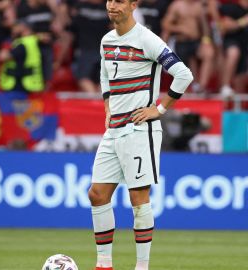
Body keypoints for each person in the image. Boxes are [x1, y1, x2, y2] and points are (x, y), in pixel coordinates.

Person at [88, 0, 193, 269]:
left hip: (139, 130)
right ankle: (104, 264)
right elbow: (104, 73)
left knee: (138, 197)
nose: (112, 5)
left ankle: (142, 267)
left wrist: (159, 109)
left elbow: (183, 74)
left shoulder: (147, 39)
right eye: (110, 0)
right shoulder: (107, 40)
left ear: (134, 4)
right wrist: (107, 104)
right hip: (114, 130)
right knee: (97, 194)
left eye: (120, 1)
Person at [161, 0, 214, 94]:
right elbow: (166, 24)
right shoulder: (177, 5)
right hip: (182, 43)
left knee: (209, 53)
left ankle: (202, 87)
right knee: (187, 71)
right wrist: (180, 28)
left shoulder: (198, 5)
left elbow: (204, 25)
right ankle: (191, 88)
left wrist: (206, 41)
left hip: (196, 42)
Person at [0, 19, 44, 92]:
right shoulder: (33, 41)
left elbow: (2, 57)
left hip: (21, 86)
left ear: (24, 27)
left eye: (16, 26)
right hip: (30, 84)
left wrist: (5, 50)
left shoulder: (23, 44)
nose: (13, 28)